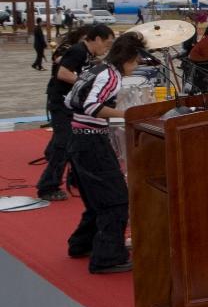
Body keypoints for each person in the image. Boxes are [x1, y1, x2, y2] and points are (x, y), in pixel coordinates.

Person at [64, 32, 148, 274]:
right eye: (137, 60)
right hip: (91, 141)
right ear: (129, 57)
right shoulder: (111, 75)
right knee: (116, 199)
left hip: (77, 138)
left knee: (95, 200)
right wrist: (127, 114)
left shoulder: (96, 69)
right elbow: (92, 107)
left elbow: (70, 101)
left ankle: (81, 244)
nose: (138, 65)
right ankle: (108, 256)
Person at [37, 23, 115, 202]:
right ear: (96, 39)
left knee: (79, 142)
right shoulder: (78, 51)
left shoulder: (89, 54)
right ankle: (47, 186)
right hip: (60, 102)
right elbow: (63, 73)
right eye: (106, 43)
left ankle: (77, 179)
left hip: (72, 103)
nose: (107, 48)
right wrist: (87, 83)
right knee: (62, 144)